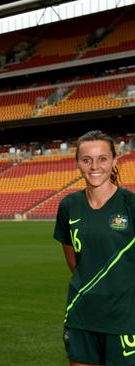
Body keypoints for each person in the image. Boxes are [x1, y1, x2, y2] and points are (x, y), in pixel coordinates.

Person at [54, 130, 135, 366]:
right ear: (78, 163)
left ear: (114, 160)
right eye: (86, 159)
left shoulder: (130, 204)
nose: (94, 166)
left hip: (124, 320)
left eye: (102, 158)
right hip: (81, 316)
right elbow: (73, 260)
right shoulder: (69, 205)